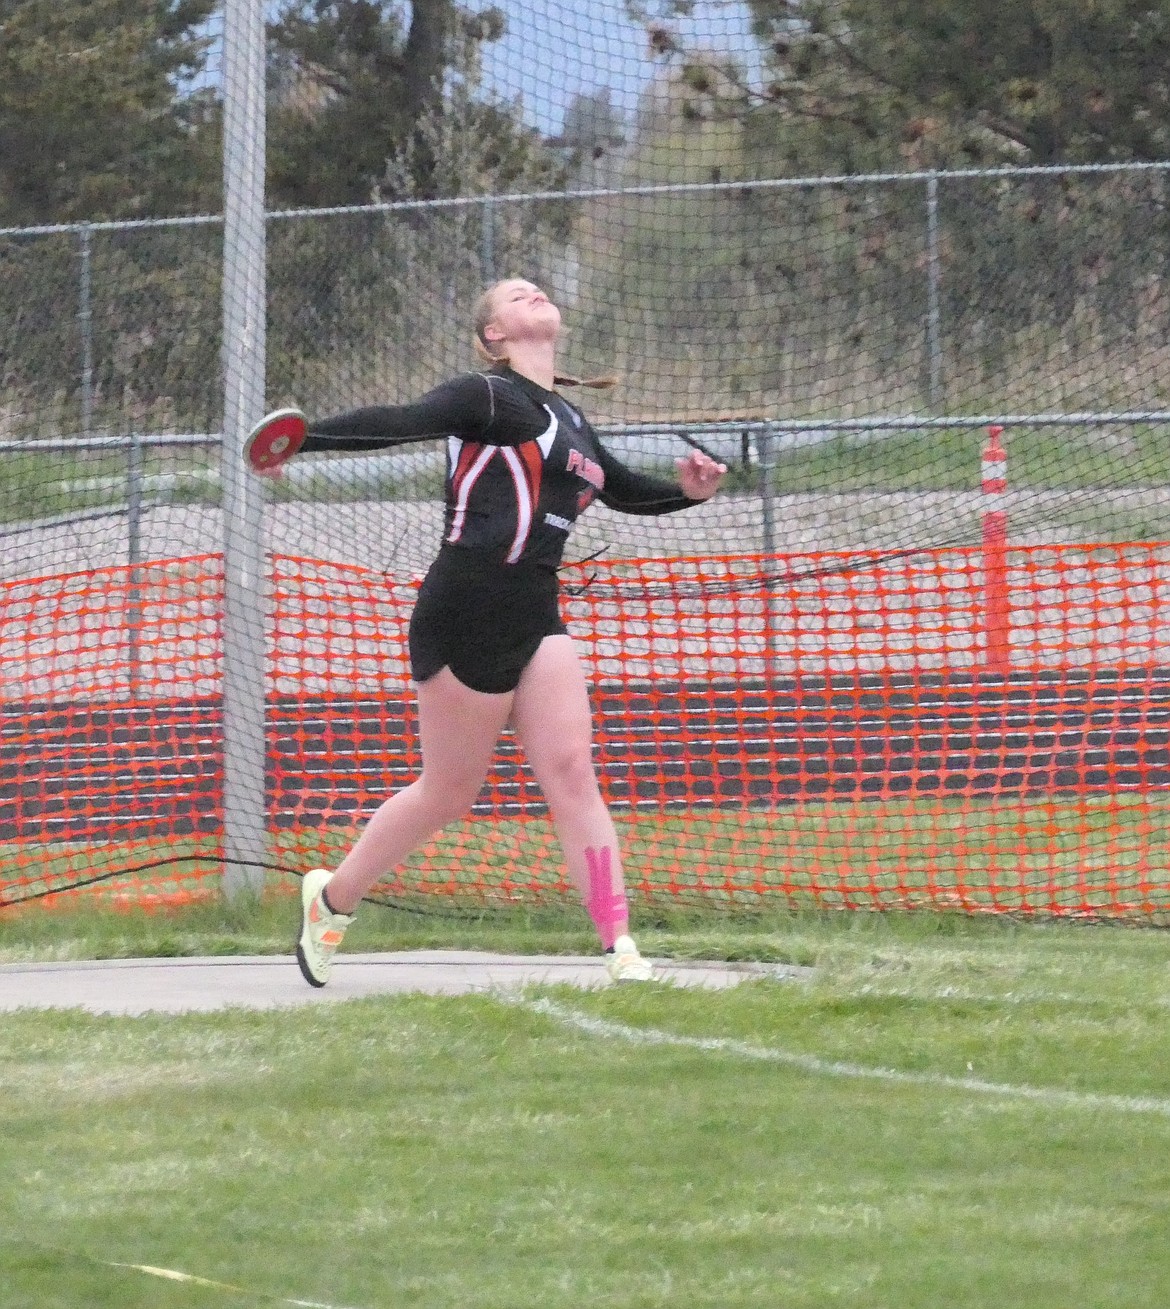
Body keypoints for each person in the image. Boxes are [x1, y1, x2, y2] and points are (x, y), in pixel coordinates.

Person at [267, 277, 725, 987]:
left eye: (538, 289)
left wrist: (686, 492)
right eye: (516, 295)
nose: (534, 293)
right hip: (464, 608)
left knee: (573, 775)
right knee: (449, 793)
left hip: (535, 613)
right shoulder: (489, 396)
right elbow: (401, 420)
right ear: (495, 336)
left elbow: (623, 487)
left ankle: (620, 943)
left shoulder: (568, 416)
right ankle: (331, 900)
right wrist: (303, 438)